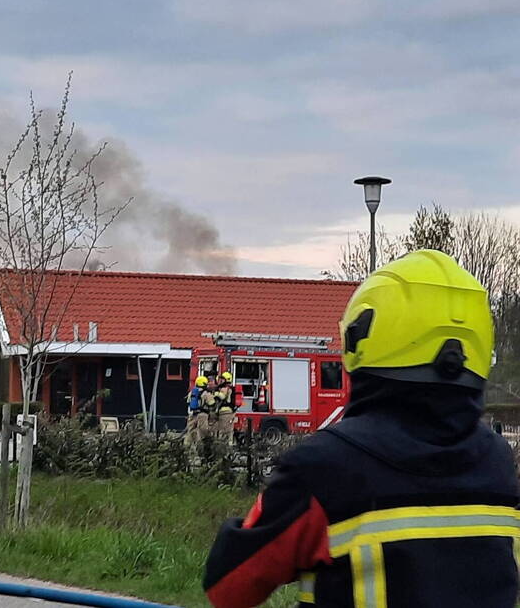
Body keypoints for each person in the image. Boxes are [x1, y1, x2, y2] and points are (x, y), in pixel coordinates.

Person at [203, 250, 520, 608]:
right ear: (478, 345)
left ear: (362, 337)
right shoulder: (497, 462)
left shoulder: (323, 467)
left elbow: (229, 586)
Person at [185, 375, 213, 460]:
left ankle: (186, 450)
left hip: (192, 415)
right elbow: (212, 403)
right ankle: (202, 453)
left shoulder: (192, 392)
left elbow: (188, 402)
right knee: (202, 433)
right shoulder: (206, 393)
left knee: (190, 433)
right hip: (202, 415)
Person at [213, 372, 237, 453]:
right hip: (228, 412)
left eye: (222, 379)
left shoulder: (225, 388)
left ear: (226, 380)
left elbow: (222, 397)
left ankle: (225, 451)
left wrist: (215, 393)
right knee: (228, 432)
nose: (220, 381)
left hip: (225, 412)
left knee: (224, 432)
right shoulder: (229, 388)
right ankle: (227, 451)